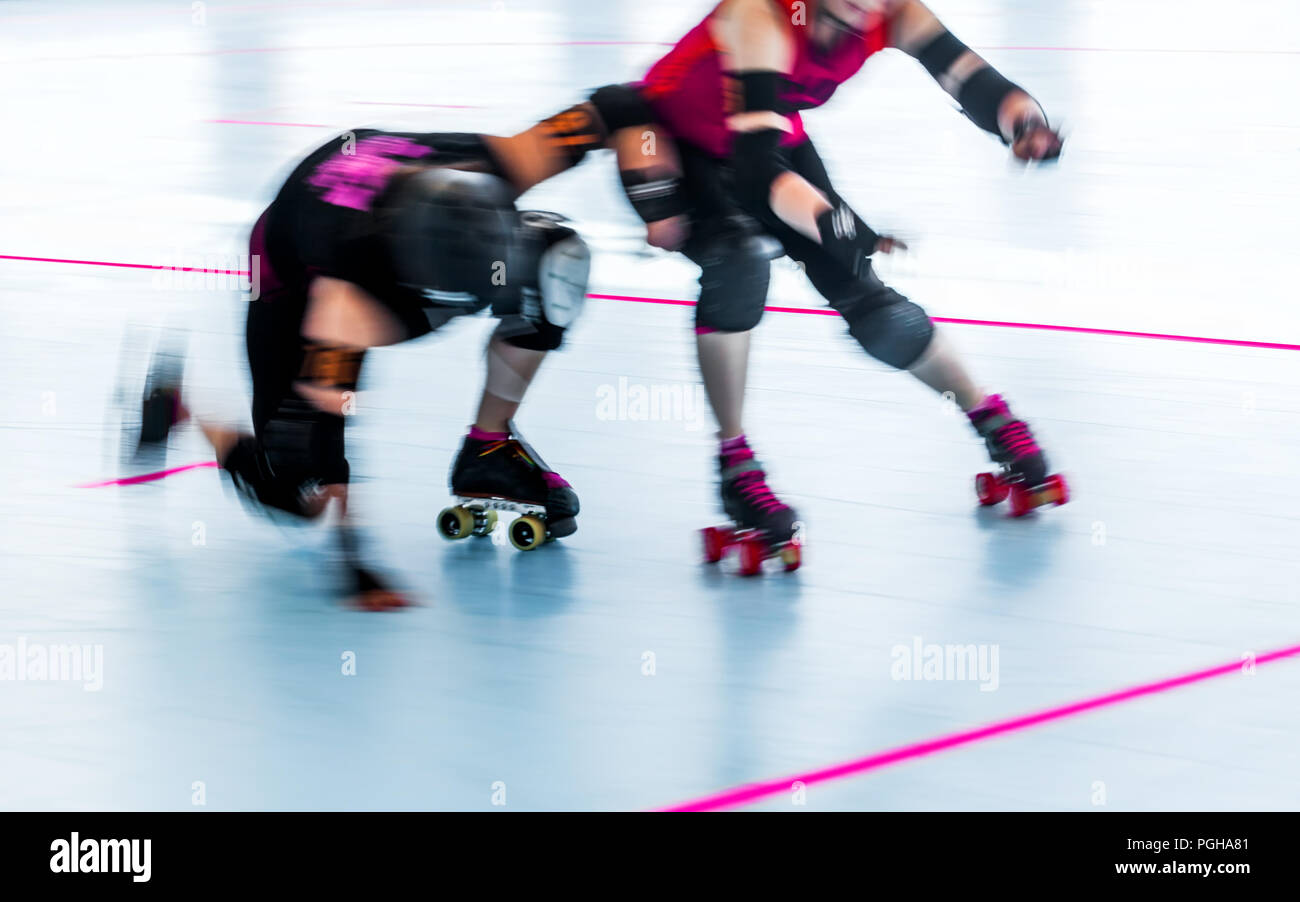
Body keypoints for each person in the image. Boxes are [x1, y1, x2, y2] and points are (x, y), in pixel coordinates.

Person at [589, 0, 1070, 560]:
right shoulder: (762, 14)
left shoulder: (893, 11)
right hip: (674, 145)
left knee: (877, 309)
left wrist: (1025, 123)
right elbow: (753, 172)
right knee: (739, 266)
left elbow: (971, 78)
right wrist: (836, 225)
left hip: (767, 140)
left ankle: (990, 417)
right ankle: (735, 462)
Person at [131, 105, 650, 608]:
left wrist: (663, 200)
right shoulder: (347, 301)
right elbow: (327, 442)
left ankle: (488, 445)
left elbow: (617, 106)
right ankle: (181, 406)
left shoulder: (504, 162)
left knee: (553, 263)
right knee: (293, 483)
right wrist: (355, 565)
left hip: (398, 214)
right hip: (289, 263)